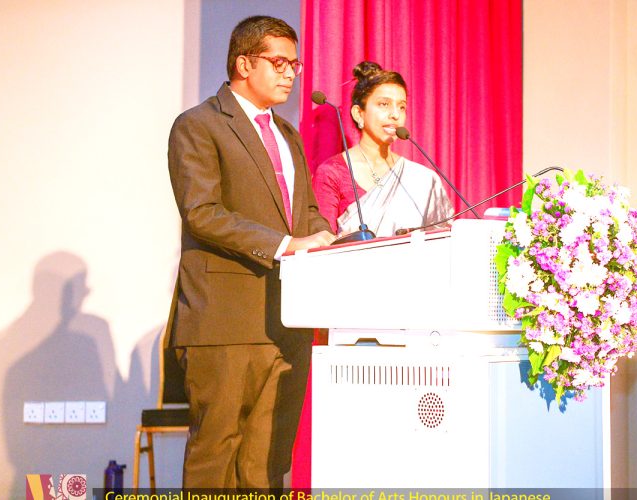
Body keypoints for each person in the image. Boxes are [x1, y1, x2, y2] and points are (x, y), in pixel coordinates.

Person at [166, 15, 334, 488]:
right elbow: (202, 212)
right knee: (216, 456)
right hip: (224, 320)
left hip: (287, 319)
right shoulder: (198, 125)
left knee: (267, 462)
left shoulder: (287, 133)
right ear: (243, 63)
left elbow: (305, 211)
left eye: (295, 65)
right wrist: (286, 245)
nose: (290, 74)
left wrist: (329, 239)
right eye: (279, 62)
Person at [312, 61, 454, 237]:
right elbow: (322, 243)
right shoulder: (332, 173)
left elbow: (442, 240)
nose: (395, 114)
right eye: (384, 104)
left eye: (401, 107)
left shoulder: (423, 179)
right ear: (358, 114)